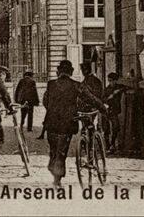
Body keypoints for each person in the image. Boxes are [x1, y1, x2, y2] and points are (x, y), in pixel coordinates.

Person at [43, 59, 104, 187]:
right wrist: (103, 107)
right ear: (71, 72)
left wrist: (53, 110)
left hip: (51, 122)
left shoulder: (51, 84)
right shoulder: (76, 85)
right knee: (61, 151)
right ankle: (57, 179)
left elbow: (45, 101)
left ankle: (53, 167)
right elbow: (90, 98)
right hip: (67, 123)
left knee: (54, 149)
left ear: (58, 71)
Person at [103, 72, 127, 153]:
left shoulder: (118, 87)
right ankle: (107, 146)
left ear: (115, 81)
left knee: (116, 127)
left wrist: (117, 91)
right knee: (106, 129)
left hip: (114, 111)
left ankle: (112, 144)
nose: (110, 82)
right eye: (109, 80)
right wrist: (110, 97)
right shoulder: (106, 89)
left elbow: (126, 88)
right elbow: (103, 100)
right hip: (106, 111)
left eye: (112, 81)